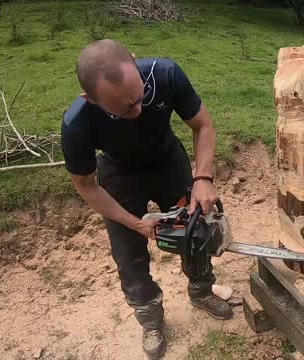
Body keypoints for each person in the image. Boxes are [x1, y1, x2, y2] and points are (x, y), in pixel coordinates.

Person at [61, 39, 232, 359]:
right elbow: (85, 185)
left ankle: (201, 290)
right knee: (128, 255)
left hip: (168, 159)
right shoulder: (77, 123)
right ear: (91, 99)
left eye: (139, 99)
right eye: (124, 109)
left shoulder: (165, 74)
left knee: (195, 231)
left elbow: (203, 125)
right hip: (119, 173)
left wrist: (203, 179)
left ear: (135, 61)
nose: (137, 110)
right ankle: (151, 319)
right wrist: (134, 223)